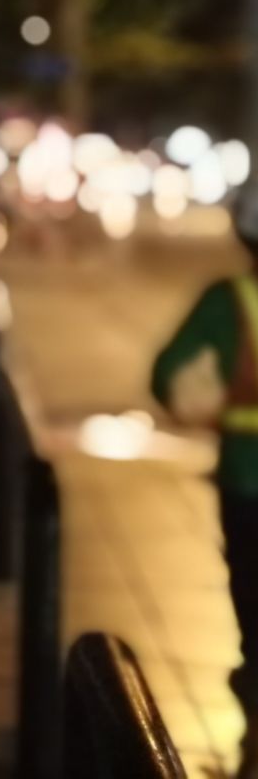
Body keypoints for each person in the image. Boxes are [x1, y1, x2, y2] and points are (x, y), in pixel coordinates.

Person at [153, 185, 258, 777]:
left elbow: (168, 377)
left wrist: (215, 403)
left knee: (254, 611)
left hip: (249, 481)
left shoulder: (230, 301)